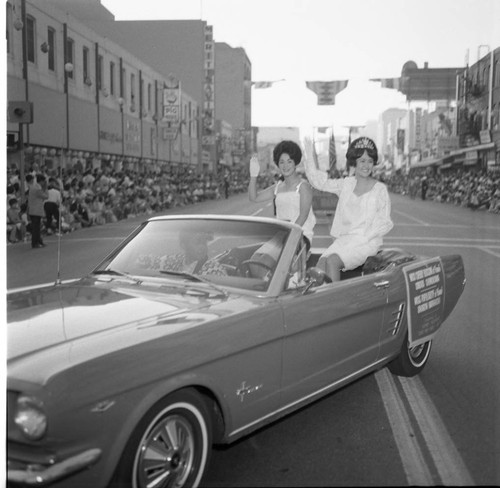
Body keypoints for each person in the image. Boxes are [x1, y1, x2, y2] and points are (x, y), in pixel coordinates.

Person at [304, 136, 393, 282]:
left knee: (332, 261)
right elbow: (319, 183)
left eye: (370, 161)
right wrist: (309, 156)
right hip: (345, 241)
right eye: (362, 161)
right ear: (354, 162)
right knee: (321, 264)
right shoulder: (346, 184)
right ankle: (325, 301)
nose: (366, 165)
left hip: (366, 242)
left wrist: (364, 238)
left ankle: (336, 302)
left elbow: (384, 221)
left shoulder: (380, 189)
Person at [248, 140, 316, 249]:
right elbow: (254, 198)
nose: (285, 166)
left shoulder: (304, 187)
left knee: (268, 261)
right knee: (256, 258)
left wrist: (287, 236)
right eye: (282, 162)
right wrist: (253, 175)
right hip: (281, 236)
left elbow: (303, 216)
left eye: (289, 161)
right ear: (278, 164)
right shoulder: (277, 187)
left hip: (300, 236)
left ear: (295, 163)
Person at [137, 229, 228, 277]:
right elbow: (143, 260)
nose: (203, 247)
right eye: (197, 242)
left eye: (204, 242)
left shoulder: (213, 268)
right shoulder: (174, 260)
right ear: (184, 245)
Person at [28, 173, 49, 248]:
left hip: (34, 210)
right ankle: (35, 243)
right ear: (42, 181)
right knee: (36, 228)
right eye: (44, 181)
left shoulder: (34, 187)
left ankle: (39, 241)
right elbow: (46, 196)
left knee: (37, 227)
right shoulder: (37, 189)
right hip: (35, 210)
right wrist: (46, 188)